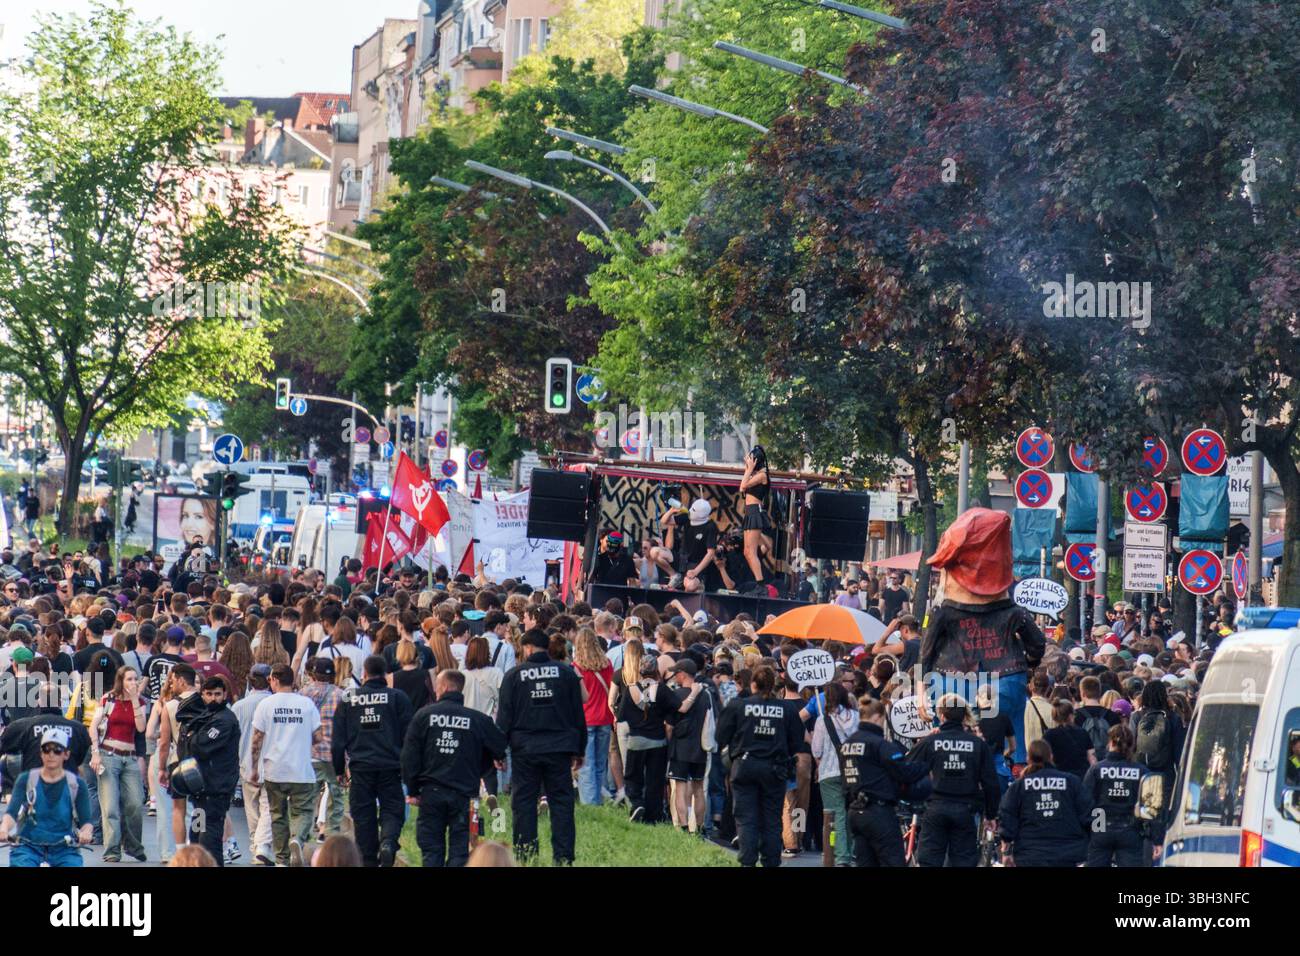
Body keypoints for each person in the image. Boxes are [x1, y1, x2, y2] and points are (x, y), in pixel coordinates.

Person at [921, 509, 1044, 765]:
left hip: (949, 679)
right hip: (1007, 677)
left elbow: (927, 651)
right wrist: (1028, 664)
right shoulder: (1013, 612)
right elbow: (1038, 645)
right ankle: (1009, 776)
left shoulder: (943, 612)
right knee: (1009, 745)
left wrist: (921, 691)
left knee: (947, 745)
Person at [496, 628, 586, 864]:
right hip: (559, 748)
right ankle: (564, 857)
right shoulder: (566, 674)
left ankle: (526, 855)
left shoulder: (514, 675)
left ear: (527, 648)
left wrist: (498, 750)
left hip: (525, 749)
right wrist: (580, 749)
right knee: (562, 803)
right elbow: (578, 714)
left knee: (523, 802)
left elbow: (504, 717)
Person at [402, 669, 507, 867]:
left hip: (431, 793)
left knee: (431, 850)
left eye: (437, 685)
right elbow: (499, 744)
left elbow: (409, 757)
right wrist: (487, 760)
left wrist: (413, 790)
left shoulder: (423, 716)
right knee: (461, 852)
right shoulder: (478, 719)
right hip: (466, 795)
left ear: (445, 687)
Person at [715, 664, 803, 867]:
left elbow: (720, 736)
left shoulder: (738, 706)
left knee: (746, 818)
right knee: (772, 819)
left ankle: (747, 861)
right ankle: (771, 862)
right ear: (773, 685)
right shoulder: (787, 709)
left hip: (745, 765)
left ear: (753, 684)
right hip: (775, 769)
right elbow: (797, 742)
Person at [332, 655, 412, 867]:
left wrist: (339, 770)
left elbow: (338, 741)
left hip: (361, 768)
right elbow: (409, 737)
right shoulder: (397, 697)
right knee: (392, 810)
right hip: (391, 767)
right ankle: (388, 841)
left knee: (363, 816)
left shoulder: (349, 700)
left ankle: (367, 859)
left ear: (364, 674)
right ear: (385, 674)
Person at [905, 695, 1001, 867]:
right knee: (963, 861)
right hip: (965, 810)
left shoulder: (931, 741)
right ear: (965, 716)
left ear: (941, 715)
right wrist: (991, 814)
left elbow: (907, 767)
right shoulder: (977, 744)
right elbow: (990, 783)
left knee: (929, 861)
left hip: (935, 808)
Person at [249, 663, 324, 867]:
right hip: (301, 769)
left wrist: (254, 768)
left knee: (277, 815)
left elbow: (256, 739)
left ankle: (282, 858)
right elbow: (318, 736)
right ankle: (297, 839)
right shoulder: (306, 704)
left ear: (273, 680)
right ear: (294, 681)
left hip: (274, 770)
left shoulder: (266, 704)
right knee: (304, 811)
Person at [840, 699, 929, 867]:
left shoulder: (847, 744)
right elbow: (904, 772)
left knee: (865, 862)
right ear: (878, 717)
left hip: (854, 811)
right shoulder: (879, 744)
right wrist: (926, 765)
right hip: (878, 811)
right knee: (893, 861)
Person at [0, 727, 93, 866]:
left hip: (64, 847)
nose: (51, 754)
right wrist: (4, 828)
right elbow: (11, 813)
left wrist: (86, 833)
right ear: (41, 754)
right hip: (28, 847)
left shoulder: (77, 784)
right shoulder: (26, 779)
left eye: (57, 750)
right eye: (46, 749)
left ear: (66, 754)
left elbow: (87, 822)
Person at [997, 738, 1091, 867]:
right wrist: (1099, 839)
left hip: (1030, 854)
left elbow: (1007, 817)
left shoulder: (1019, 786)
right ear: (1051, 756)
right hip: (1066, 854)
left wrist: (1006, 851)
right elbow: (1091, 812)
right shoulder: (1072, 782)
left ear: (1028, 759)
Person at [87, 665, 147, 863]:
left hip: (129, 757)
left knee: (135, 803)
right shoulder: (108, 699)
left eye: (135, 679)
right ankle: (112, 849)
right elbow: (94, 726)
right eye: (129, 679)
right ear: (121, 680)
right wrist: (95, 752)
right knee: (110, 806)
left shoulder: (140, 702)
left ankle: (132, 844)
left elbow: (141, 728)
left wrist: (134, 700)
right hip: (108, 754)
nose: (133, 683)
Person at [1083, 725, 1160, 867]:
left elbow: (1085, 803)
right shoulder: (1142, 771)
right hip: (1131, 830)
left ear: (1110, 743)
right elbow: (1152, 808)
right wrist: (1157, 840)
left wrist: (1088, 829)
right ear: (1132, 745)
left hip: (1100, 827)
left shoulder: (1096, 769)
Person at [185, 676, 241, 867]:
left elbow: (201, 746)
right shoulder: (207, 716)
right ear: (202, 695)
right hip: (201, 791)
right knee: (196, 836)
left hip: (216, 789)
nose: (213, 698)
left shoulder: (225, 720)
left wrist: (193, 737)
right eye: (208, 694)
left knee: (210, 840)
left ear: (224, 694)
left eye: (217, 694)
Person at [810, 681, 860, 866]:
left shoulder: (822, 720)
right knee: (852, 812)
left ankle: (841, 856)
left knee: (835, 814)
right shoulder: (856, 717)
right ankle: (852, 849)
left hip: (829, 772)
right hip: (854, 771)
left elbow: (817, 750)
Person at [232, 663, 274, 866]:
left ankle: (255, 845)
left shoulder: (239, 706)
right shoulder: (274, 703)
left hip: (246, 762)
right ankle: (262, 846)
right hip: (271, 762)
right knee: (268, 806)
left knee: (252, 808)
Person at [664, 658, 711, 834]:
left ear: (682, 674)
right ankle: (699, 827)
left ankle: (683, 826)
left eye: (676, 673)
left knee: (681, 787)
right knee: (699, 788)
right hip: (700, 748)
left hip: (680, 747)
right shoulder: (705, 695)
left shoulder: (676, 695)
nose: (674, 676)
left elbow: (669, 726)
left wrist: (669, 743)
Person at [300, 657, 345, 840]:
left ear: (313, 674)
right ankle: (331, 834)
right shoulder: (341, 695)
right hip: (334, 754)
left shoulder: (303, 694)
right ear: (333, 675)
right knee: (336, 797)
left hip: (309, 753)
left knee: (307, 799)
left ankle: (301, 835)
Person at [572, 628, 615, 806]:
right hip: (605, 718)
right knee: (600, 764)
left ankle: (590, 804)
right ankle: (597, 799)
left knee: (586, 765)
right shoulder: (607, 664)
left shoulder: (577, 667)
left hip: (586, 719)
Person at [738, 446, 773, 589]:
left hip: (755, 512)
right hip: (749, 512)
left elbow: (743, 486)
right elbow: (743, 488)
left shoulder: (762, 475)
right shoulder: (755, 474)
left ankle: (761, 585)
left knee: (752, 552)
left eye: (751, 460)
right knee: (747, 551)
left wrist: (748, 469)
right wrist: (749, 468)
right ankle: (758, 583)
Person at [1042, 700, 1096, 777]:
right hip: (1081, 776)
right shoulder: (1082, 732)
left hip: (1058, 778)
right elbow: (1092, 758)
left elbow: (1044, 760)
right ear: (1070, 716)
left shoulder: (1049, 735)